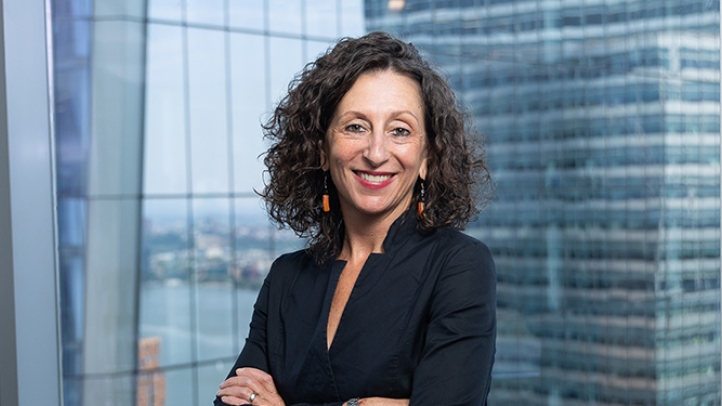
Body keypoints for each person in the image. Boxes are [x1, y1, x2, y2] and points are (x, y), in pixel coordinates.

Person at [214, 31, 496, 406]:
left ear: (429, 157)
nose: (376, 153)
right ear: (320, 149)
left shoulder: (459, 266)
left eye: (400, 130)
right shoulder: (286, 279)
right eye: (355, 127)